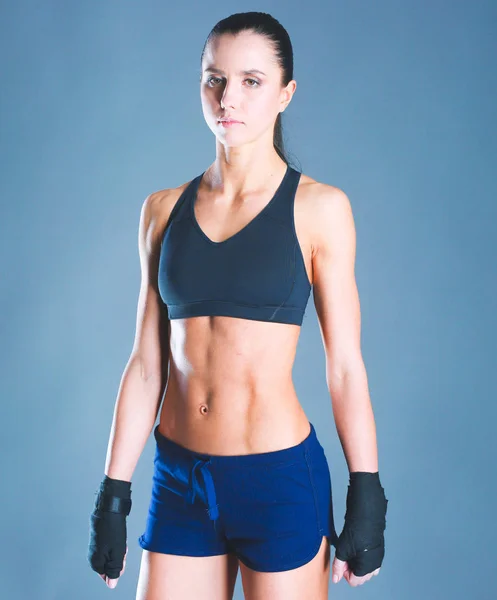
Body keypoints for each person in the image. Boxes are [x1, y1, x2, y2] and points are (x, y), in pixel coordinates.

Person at [88, 11, 388, 600]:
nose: (229, 97)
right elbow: (147, 365)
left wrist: (367, 491)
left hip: (277, 482)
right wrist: (114, 492)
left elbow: (346, 365)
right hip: (179, 481)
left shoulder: (319, 209)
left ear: (285, 93)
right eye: (214, 79)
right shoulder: (160, 211)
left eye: (252, 81)